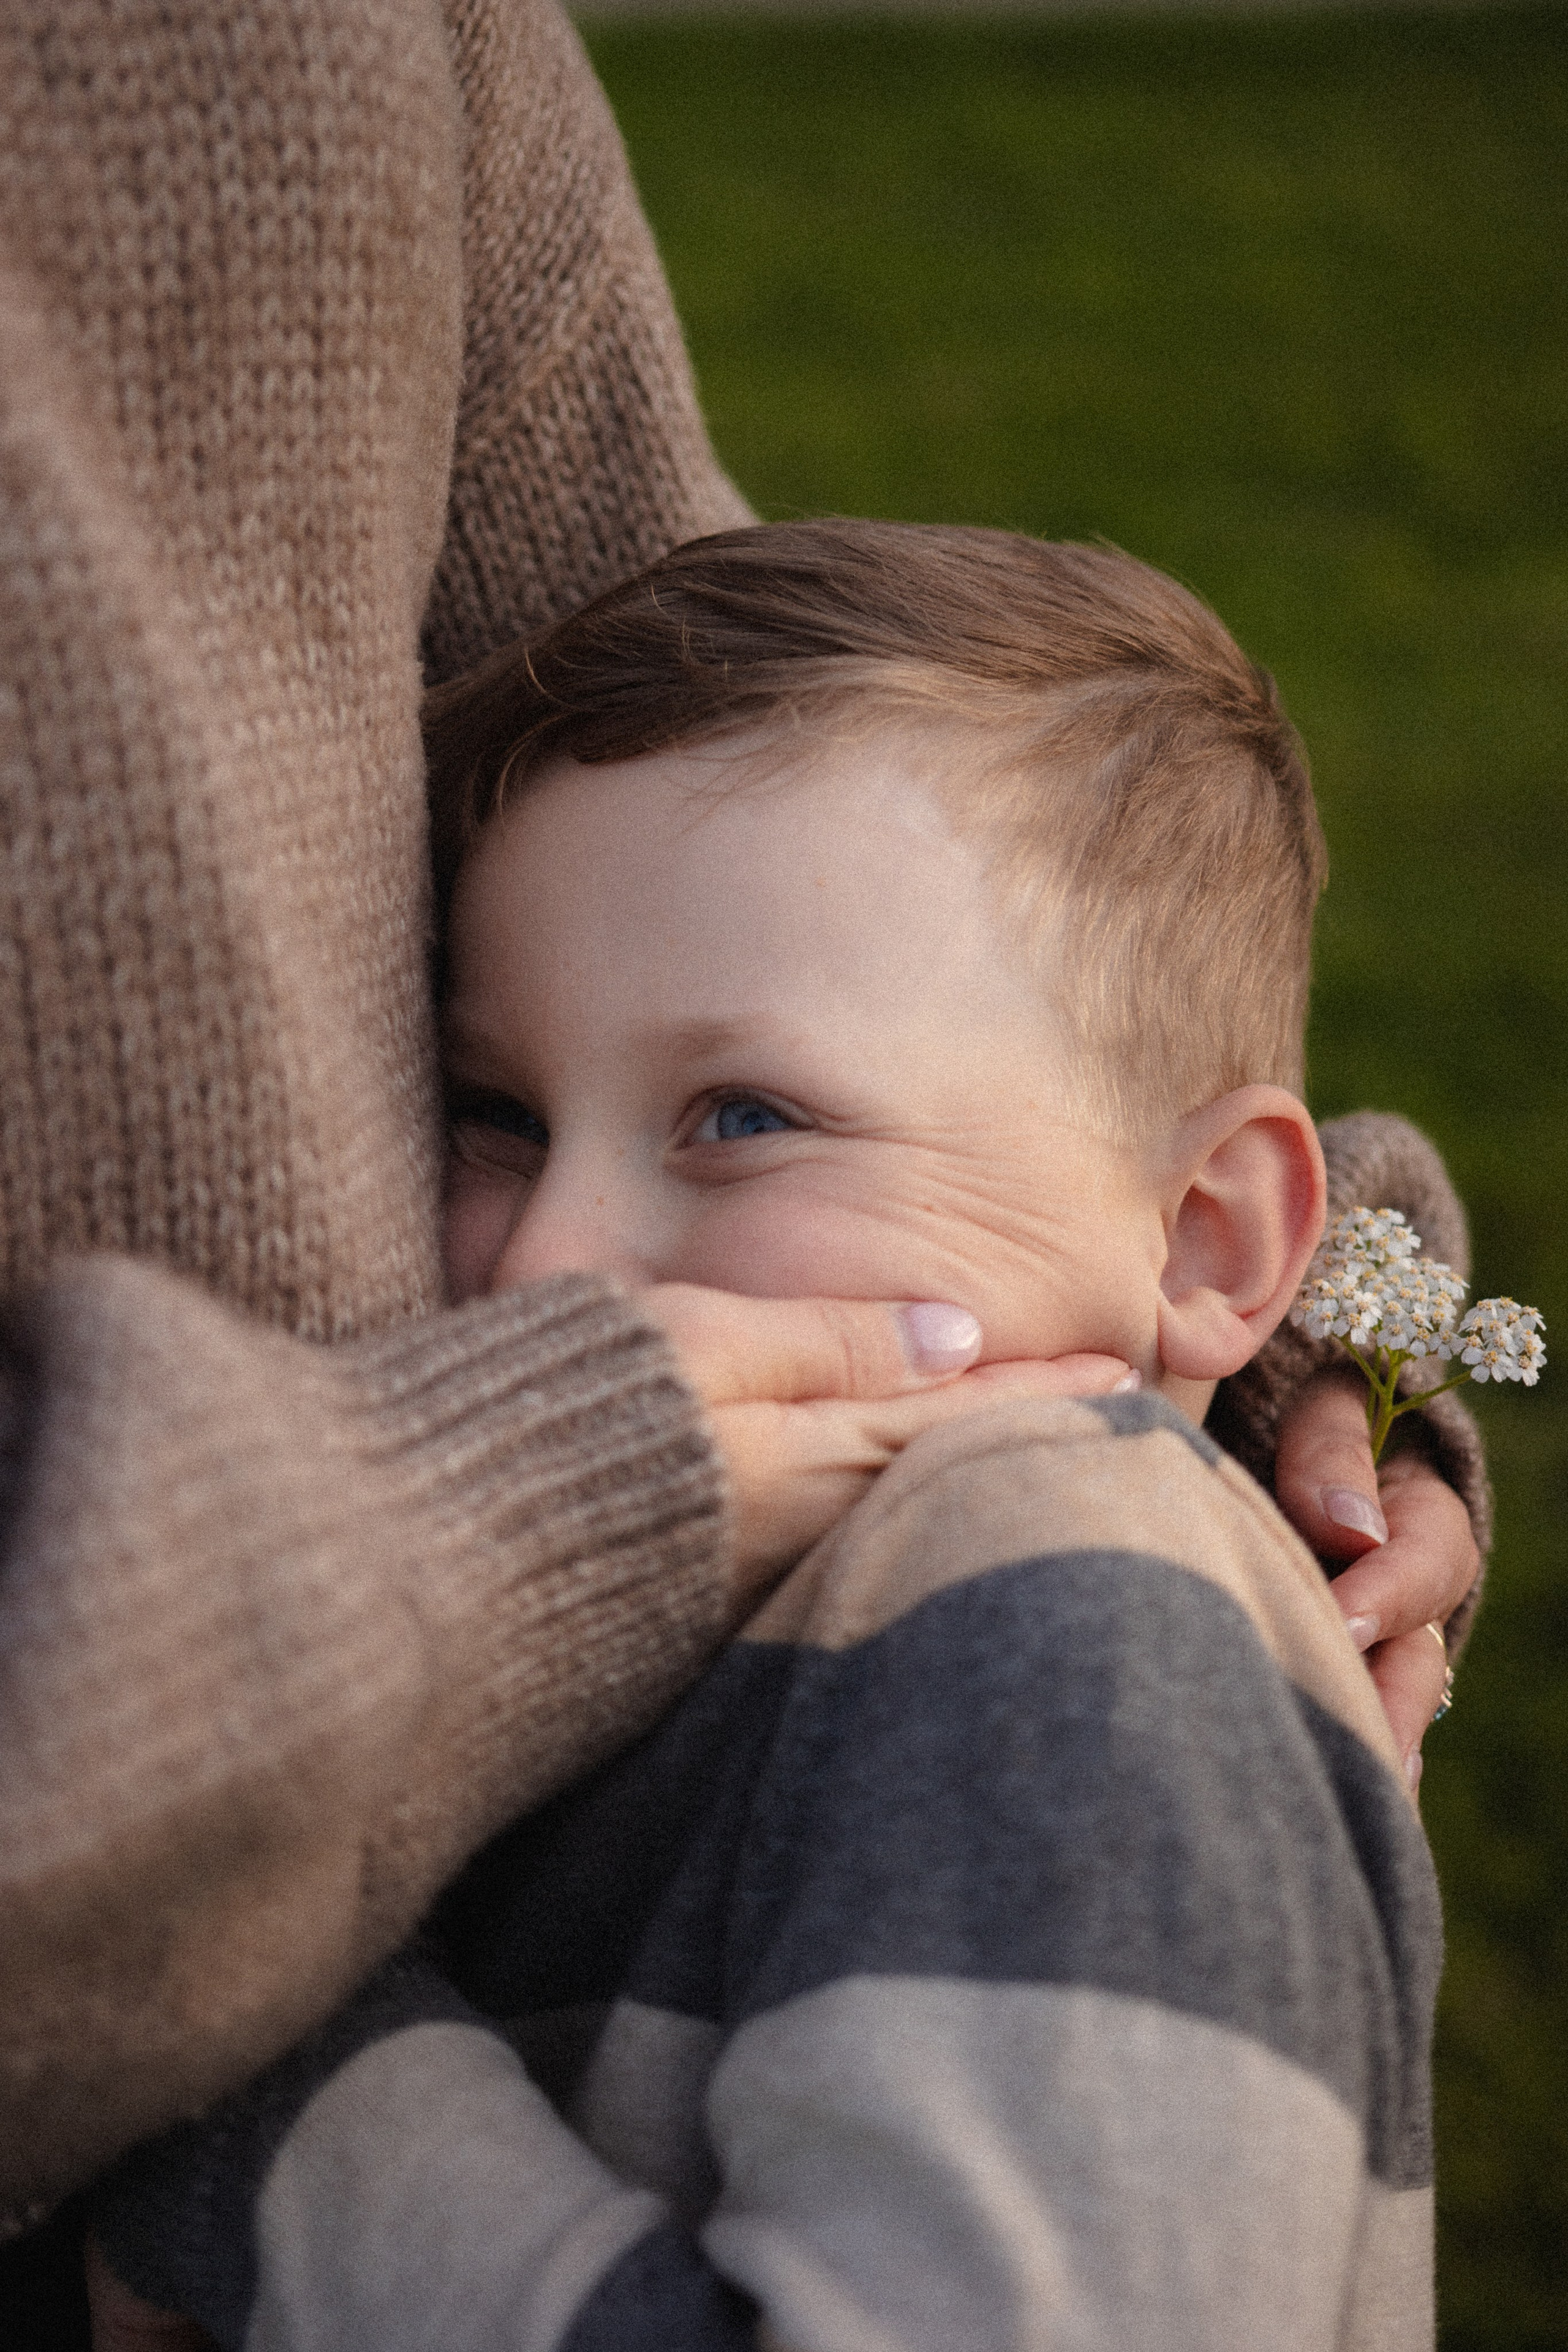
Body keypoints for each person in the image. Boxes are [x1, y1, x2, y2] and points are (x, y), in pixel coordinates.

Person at [1, 0, 1480, 2324]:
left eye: (744, 1117)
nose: (558, 1269)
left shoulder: (1064, 1632)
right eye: (488, 1113)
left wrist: (244, 2076)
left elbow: (831, 798)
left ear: (1217, 1237)